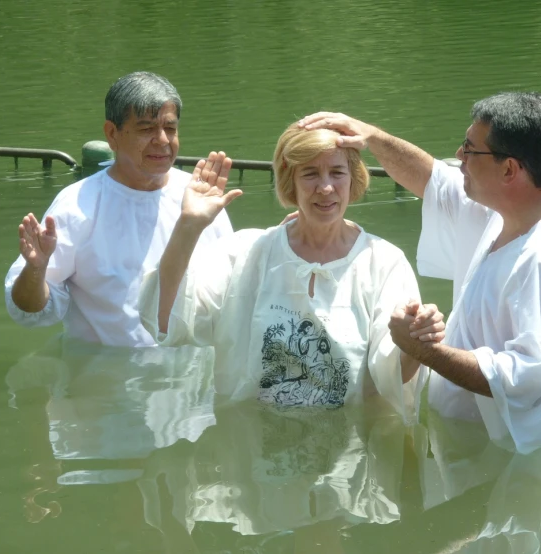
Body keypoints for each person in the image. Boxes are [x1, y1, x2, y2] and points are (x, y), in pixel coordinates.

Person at [298, 92, 541, 453]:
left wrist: (424, 351)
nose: (459, 156)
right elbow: (432, 180)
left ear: (509, 169)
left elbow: (529, 378)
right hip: (472, 453)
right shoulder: (504, 210)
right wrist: (371, 137)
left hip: (518, 469)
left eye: (470, 150)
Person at [138, 124, 445, 418]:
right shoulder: (244, 253)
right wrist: (188, 226)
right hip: (251, 449)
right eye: (310, 174)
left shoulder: (384, 263)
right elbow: (164, 322)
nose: (325, 188)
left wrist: (416, 344)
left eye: (337, 173)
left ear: (353, 179)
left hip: (347, 456)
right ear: (290, 181)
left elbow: (391, 378)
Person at [4, 71, 233, 347]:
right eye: (146, 129)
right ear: (112, 134)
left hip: (191, 378)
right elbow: (30, 311)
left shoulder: (200, 198)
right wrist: (36, 269)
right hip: (106, 376)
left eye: (170, 128)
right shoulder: (78, 206)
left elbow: (233, 291)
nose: (162, 140)